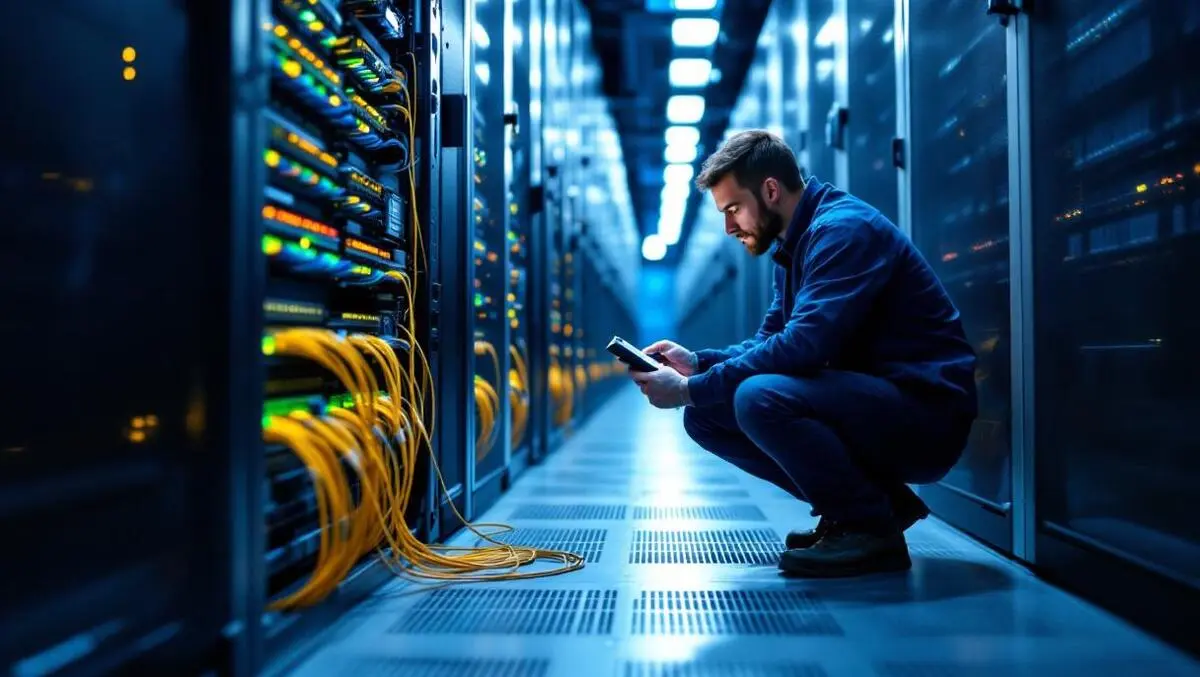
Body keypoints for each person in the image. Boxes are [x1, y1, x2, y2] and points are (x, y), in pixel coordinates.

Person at [631, 130, 978, 578]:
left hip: (926, 415)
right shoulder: (796, 245)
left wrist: (687, 390)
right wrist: (699, 364)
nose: (729, 227)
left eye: (733, 209)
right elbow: (771, 339)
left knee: (758, 397)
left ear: (770, 190)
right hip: (876, 401)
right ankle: (875, 508)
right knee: (706, 415)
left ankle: (869, 530)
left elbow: (803, 346)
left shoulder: (843, 231)